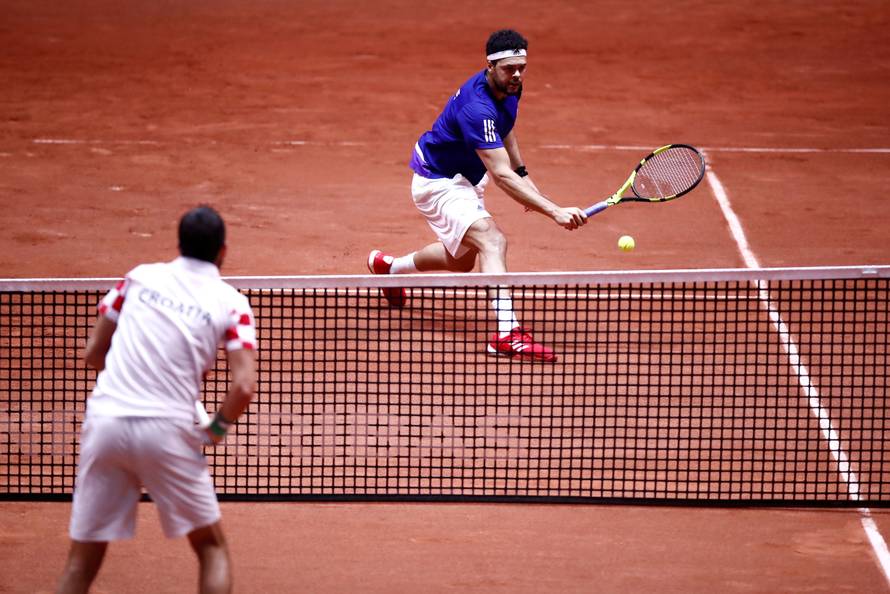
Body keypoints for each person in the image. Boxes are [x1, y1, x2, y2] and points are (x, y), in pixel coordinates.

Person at [57, 206, 257, 594]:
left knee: (80, 563)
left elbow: (94, 353)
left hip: (106, 422)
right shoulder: (232, 302)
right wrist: (216, 429)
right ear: (223, 251)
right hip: (168, 431)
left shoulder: (137, 279)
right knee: (212, 548)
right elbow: (244, 386)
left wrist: (137, 375)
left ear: (178, 244)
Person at [368, 29, 587, 362]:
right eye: (509, 68)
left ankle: (390, 269)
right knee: (492, 240)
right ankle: (507, 334)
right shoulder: (476, 107)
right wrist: (553, 210)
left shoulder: (509, 87)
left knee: (461, 261)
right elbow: (500, 175)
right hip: (438, 181)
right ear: (490, 65)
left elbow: (505, 127)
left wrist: (524, 175)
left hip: (468, 177)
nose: (517, 75)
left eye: (522, 68)